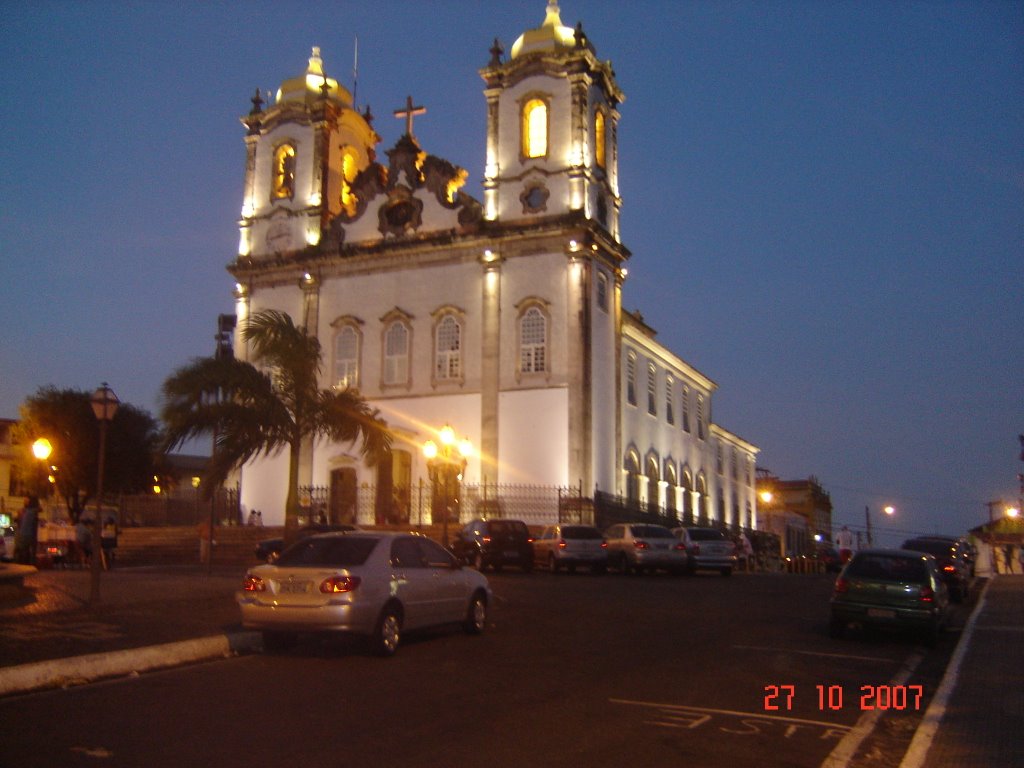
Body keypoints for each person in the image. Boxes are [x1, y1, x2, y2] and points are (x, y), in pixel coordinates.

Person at [13, 496, 40, 565]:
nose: (25, 502)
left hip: (23, 534)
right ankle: (28, 564)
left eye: (26, 501)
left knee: (22, 550)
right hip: (27, 534)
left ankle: (22, 563)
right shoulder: (32, 511)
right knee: (26, 550)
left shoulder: (28, 511)